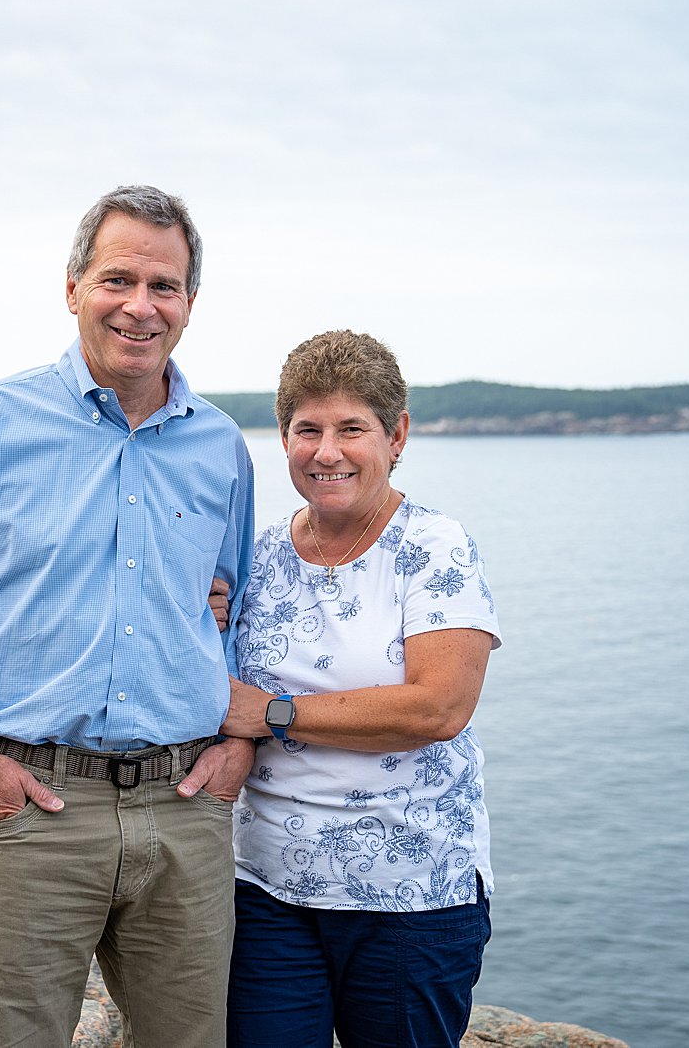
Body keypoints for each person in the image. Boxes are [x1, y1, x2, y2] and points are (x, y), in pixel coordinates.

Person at [0, 185, 257, 1048]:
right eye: (119, 278)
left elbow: (243, 614)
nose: (140, 306)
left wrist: (242, 745)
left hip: (187, 811)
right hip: (31, 809)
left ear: (190, 304)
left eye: (166, 286)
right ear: (73, 285)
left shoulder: (221, 446)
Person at [222, 330, 501, 1048]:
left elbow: (439, 705)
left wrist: (276, 714)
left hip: (411, 896)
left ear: (397, 434)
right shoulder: (257, 555)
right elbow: (218, 694)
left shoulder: (434, 548)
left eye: (352, 428)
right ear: (283, 437)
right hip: (267, 892)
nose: (327, 451)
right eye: (306, 429)